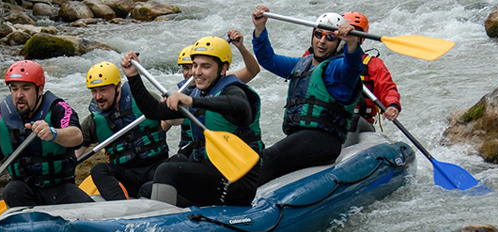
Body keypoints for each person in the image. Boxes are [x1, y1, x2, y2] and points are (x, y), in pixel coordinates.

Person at [121, 36, 264, 207]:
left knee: (167, 171)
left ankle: (162, 226)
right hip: (212, 176)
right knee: (147, 189)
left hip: (236, 180)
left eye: (206, 66)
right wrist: (134, 77)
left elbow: (241, 107)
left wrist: (193, 102)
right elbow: (154, 111)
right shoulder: (196, 94)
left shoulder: (233, 91)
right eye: (195, 65)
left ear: (223, 68)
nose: (197, 72)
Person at [251, 7, 363, 185]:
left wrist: (352, 44)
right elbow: (268, 59)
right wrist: (260, 29)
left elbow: (352, 68)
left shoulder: (336, 69)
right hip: (301, 138)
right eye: (319, 34)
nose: (322, 41)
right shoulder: (300, 64)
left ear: (339, 44)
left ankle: (236, 197)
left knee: (269, 157)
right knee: (264, 158)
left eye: (331, 37)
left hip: (324, 141)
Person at [0, 60, 92, 208]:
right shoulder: (0, 120)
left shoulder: (59, 109)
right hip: (24, 190)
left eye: (26, 88)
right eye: (14, 89)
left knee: (92, 213)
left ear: (40, 90)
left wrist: (54, 133)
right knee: (12, 190)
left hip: (60, 187)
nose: (19, 95)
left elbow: (77, 136)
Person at [76, 61, 170, 200]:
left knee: (176, 163)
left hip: (156, 169)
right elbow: (75, 154)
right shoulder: (93, 121)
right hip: (127, 176)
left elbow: (175, 120)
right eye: (94, 91)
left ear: (118, 86)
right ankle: (122, 205)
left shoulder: (143, 99)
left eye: (103, 90)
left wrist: (170, 108)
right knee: (98, 169)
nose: (98, 96)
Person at [164, 29, 262, 157]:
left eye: (205, 66)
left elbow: (252, 71)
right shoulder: (182, 93)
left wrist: (240, 47)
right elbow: (164, 124)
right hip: (194, 146)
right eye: (186, 68)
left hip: (223, 151)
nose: (192, 73)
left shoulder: (223, 83)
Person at [300, 12, 402, 133]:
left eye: (353, 34)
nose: (347, 38)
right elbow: (303, 71)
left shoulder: (372, 64)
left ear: (361, 38)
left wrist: (392, 105)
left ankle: (340, 151)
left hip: (359, 123)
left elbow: (387, 88)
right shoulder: (320, 58)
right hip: (327, 119)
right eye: (343, 34)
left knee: (353, 119)